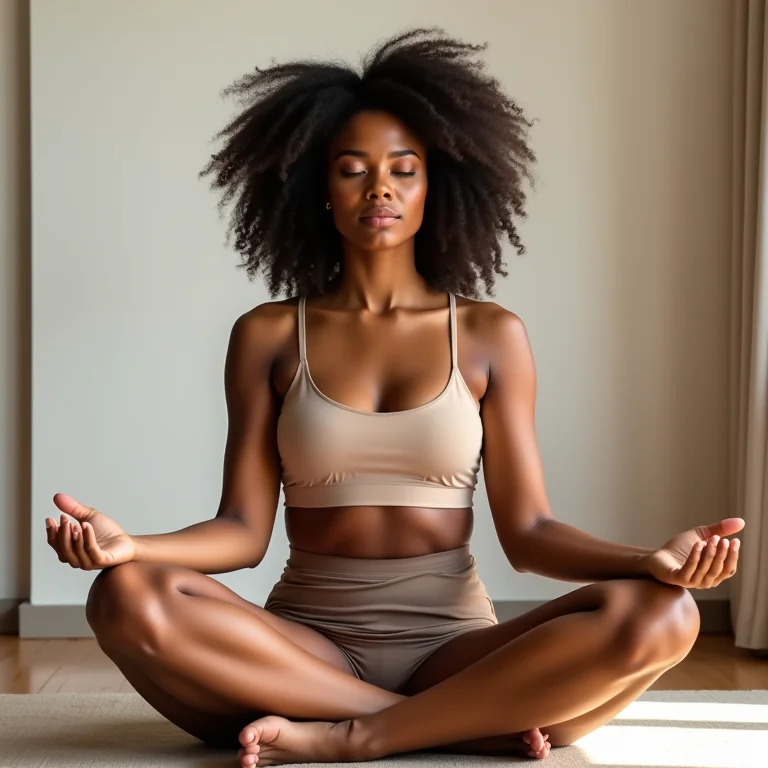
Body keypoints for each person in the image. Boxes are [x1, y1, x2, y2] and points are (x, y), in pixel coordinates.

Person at [45, 27, 744, 767]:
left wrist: (650, 562)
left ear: (434, 186)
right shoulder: (269, 335)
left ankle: (361, 734)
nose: (379, 187)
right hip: (301, 651)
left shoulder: (489, 334)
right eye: (352, 169)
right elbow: (242, 531)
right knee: (123, 598)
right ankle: (444, 725)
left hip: (459, 651)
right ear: (319, 188)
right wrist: (131, 547)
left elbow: (531, 531)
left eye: (402, 169)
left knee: (665, 615)